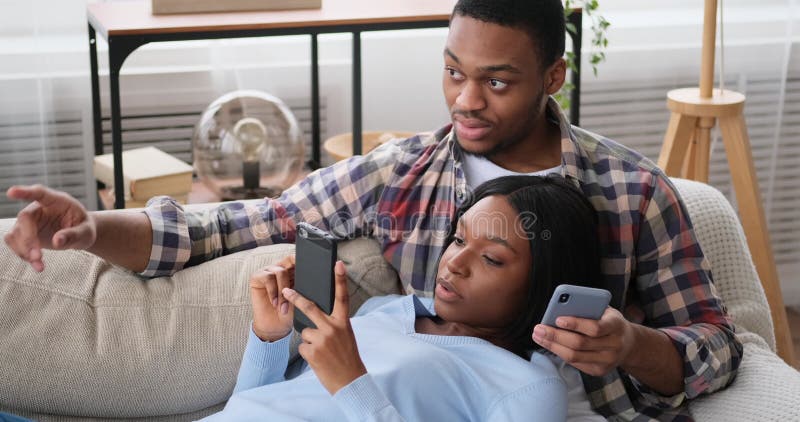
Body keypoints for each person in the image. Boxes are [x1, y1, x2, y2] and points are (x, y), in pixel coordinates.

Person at [3, 0, 742, 419]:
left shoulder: (634, 193)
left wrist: (632, 347)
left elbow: (719, 342)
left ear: (554, 75)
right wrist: (92, 228)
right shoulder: (403, 172)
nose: (464, 101)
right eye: (454, 72)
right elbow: (235, 225)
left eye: (497, 82)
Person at [207, 175, 602, 421]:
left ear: (545, 282)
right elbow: (250, 408)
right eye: (459, 239)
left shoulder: (527, 386)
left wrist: (351, 381)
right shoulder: (385, 309)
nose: (454, 263)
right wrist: (270, 339)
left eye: (491, 258)